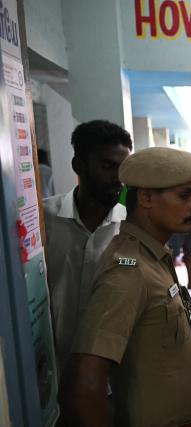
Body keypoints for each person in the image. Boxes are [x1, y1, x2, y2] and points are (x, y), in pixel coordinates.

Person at [60, 147, 191, 427]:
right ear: (146, 198)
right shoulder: (128, 271)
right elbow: (83, 387)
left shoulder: (152, 256)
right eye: (184, 195)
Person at [43, 120, 132, 378]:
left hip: (113, 377)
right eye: (107, 167)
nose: (118, 179)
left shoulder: (132, 227)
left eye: (123, 168)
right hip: (52, 373)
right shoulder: (43, 219)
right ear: (78, 165)